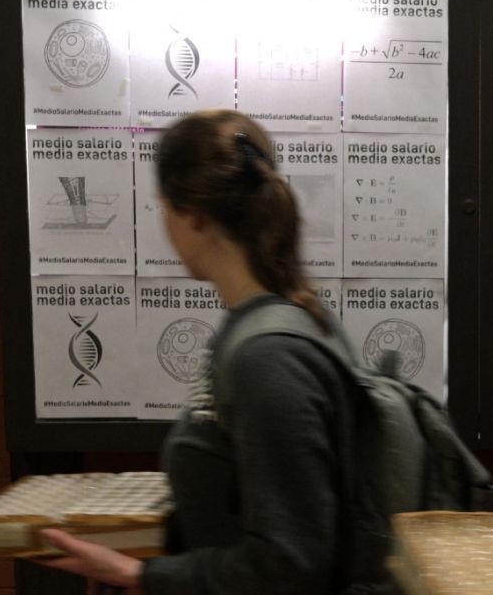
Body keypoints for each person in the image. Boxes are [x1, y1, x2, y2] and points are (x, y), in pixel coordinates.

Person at [39, 109, 366, 595]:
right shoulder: (281, 326)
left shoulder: (269, 356)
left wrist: (140, 575)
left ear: (191, 214)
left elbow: (290, 564)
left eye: (162, 208)